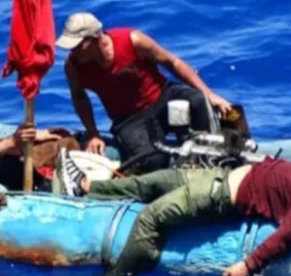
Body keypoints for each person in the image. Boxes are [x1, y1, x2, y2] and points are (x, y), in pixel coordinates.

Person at [56, 148, 291, 276]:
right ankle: (86, 188)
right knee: (151, 182)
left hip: (218, 196)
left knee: (150, 218)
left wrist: (248, 265)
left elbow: (288, 234)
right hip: (218, 175)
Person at [57, 11, 233, 175]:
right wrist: (93, 134)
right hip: (129, 120)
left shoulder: (132, 41)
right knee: (153, 161)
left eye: (78, 46)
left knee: (197, 100)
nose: (73, 51)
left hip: (162, 97)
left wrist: (208, 93)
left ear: (95, 38)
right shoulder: (73, 66)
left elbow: (173, 62)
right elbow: (79, 97)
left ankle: (214, 161)